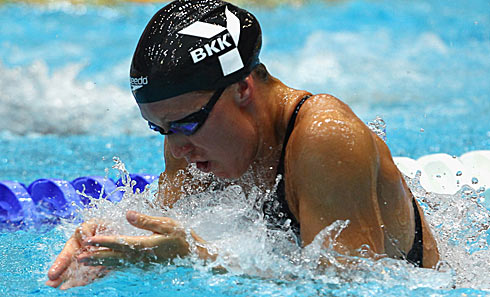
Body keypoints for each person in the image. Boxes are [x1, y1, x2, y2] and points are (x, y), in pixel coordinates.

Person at [46, 0, 439, 289]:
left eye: (187, 122)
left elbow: (351, 287)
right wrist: (104, 242)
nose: (177, 147)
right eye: (161, 129)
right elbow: (164, 226)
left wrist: (203, 259)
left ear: (242, 88)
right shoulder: (192, 142)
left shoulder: (325, 138)